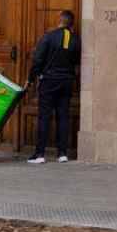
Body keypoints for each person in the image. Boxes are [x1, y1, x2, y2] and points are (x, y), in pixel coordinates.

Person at [27, 10, 81, 164]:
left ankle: (40, 154)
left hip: (49, 80)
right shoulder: (76, 39)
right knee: (63, 116)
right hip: (66, 81)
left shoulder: (49, 36)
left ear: (60, 20)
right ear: (71, 23)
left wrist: (30, 79)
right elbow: (77, 61)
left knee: (44, 116)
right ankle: (62, 154)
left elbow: (37, 60)